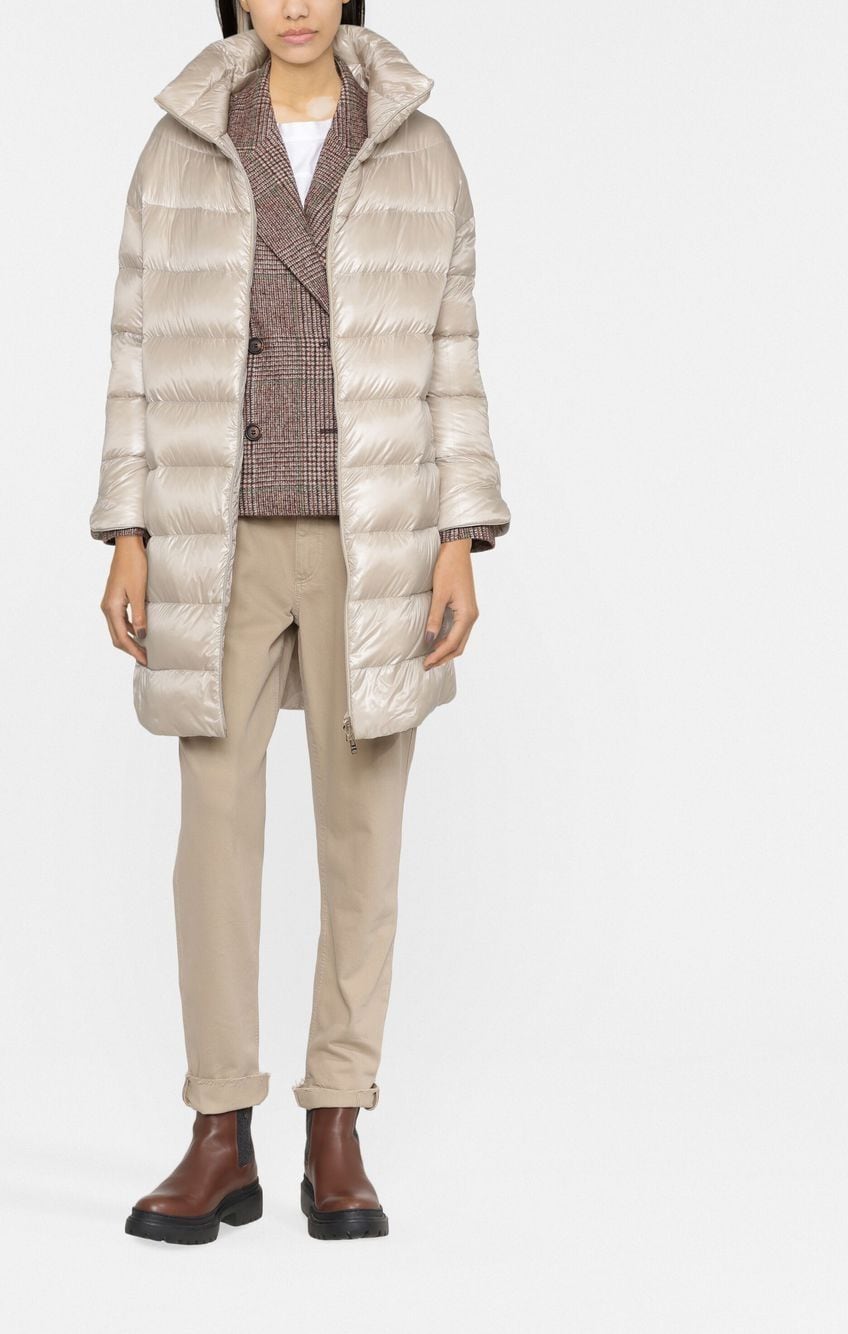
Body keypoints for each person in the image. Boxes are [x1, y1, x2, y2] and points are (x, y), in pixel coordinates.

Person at [89, 0, 510, 1245]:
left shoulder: (417, 146)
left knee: (362, 829)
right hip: (213, 529)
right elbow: (134, 347)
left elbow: (451, 351)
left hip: (374, 535)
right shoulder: (182, 141)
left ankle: (339, 1119)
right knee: (213, 830)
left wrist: (459, 532)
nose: (293, 5)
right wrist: (128, 527)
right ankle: (219, 1126)